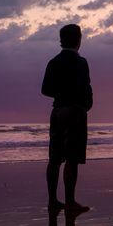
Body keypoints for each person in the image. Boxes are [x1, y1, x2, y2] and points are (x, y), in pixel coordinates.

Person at [42, 24, 92, 214]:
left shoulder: (53, 62)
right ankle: (70, 201)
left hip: (57, 111)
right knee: (72, 158)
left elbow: (45, 89)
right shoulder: (81, 62)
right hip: (74, 111)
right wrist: (85, 104)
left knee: (54, 158)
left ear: (61, 40)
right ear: (78, 39)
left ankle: (53, 201)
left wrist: (61, 92)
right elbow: (86, 87)